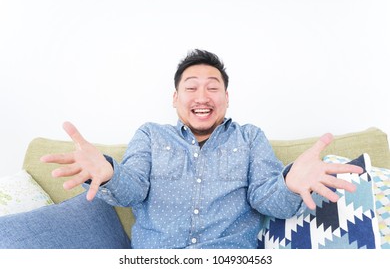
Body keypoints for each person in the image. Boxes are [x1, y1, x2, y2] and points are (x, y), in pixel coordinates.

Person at [41, 49, 362, 249]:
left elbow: (268, 198)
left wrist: (290, 183)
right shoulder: (150, 135)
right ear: (175, 98)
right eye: (191, 87)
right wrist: (110, 173)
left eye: (213, 87)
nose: (202, 96)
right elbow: (132, 189)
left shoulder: (250, 138)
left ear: (226, 97)